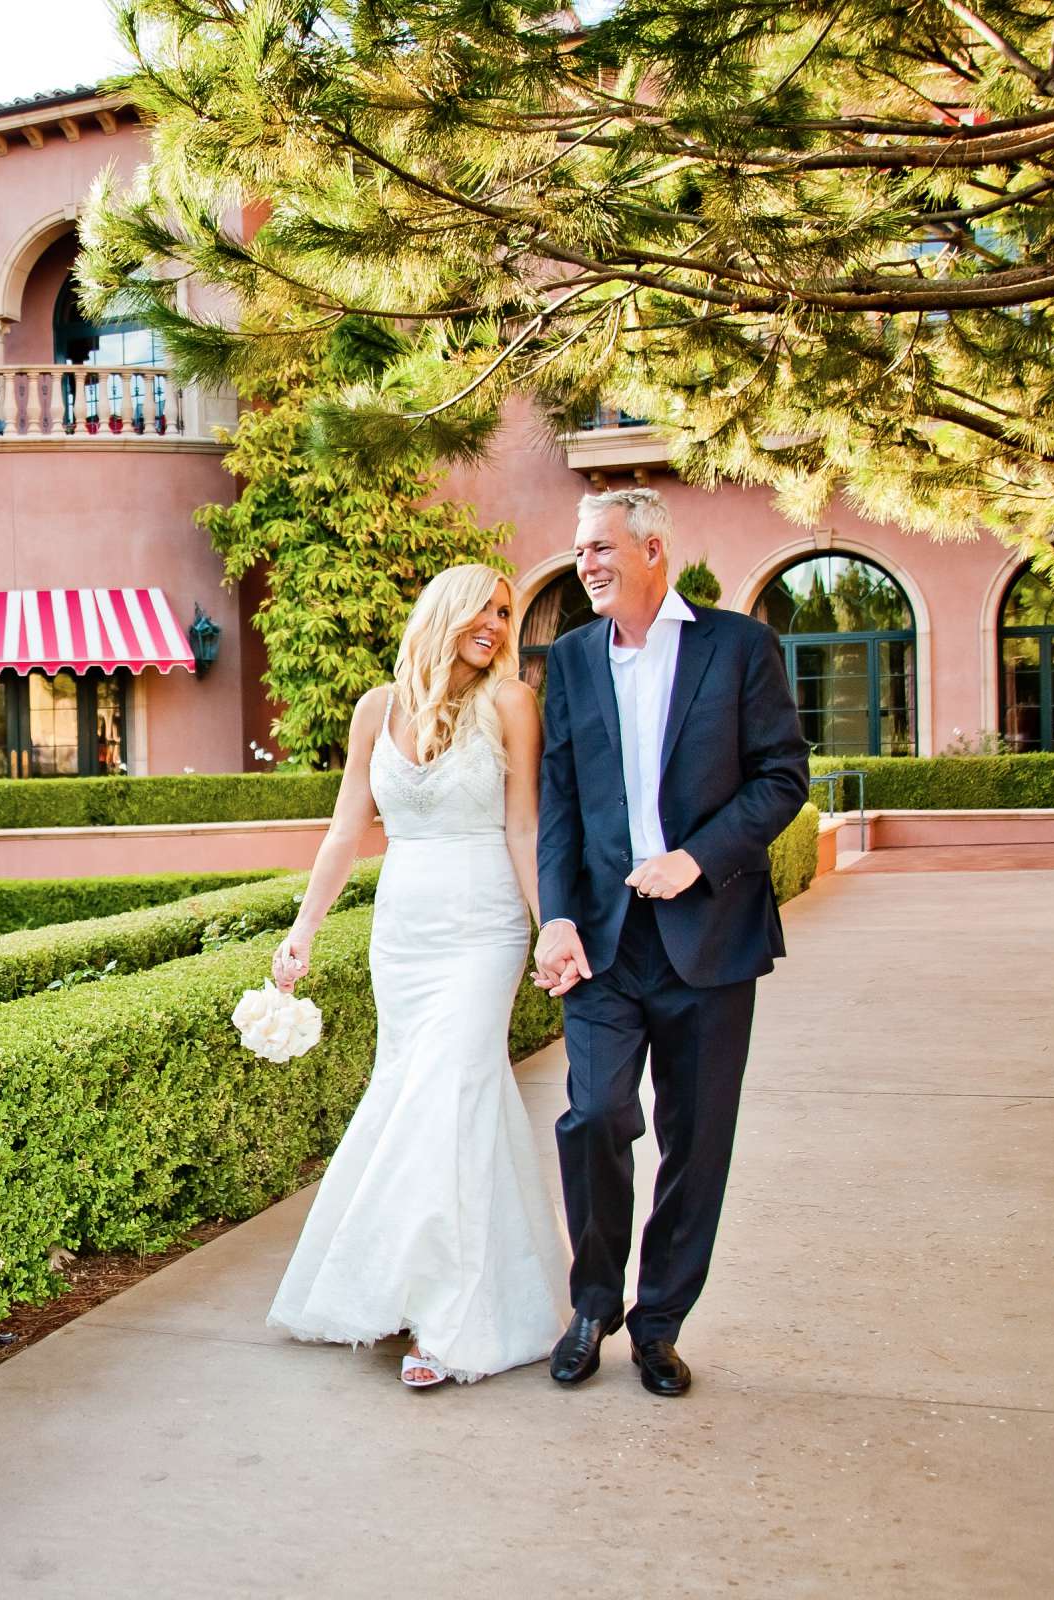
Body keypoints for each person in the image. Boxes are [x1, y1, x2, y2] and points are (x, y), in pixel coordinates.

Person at [532, 488, 810, 1398]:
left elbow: (782, 777)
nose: (588, 564)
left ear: (654, 549)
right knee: (597, 1114)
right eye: (580, 552)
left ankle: (658, 1324)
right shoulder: (570, 660)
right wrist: (559, 915)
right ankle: (593, 1303)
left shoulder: (740, 647)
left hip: (711, 934)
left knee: (698, 1141)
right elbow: (560, 803)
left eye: (603, 548)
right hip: (605, 945)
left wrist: (697, 858)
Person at [264, 563, 569, 1388]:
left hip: (483, 927)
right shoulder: (376, 709)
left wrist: (551, 930)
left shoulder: (511, 703)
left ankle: (449, 1317)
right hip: (403, 934)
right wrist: (303, 934)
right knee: (409, 1094)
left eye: (507, 613)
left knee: (452, 1090)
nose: (498, 624)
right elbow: (343, 834)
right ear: (444, 610)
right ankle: (402, 1285)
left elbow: (524, 827)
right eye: (486, 607)